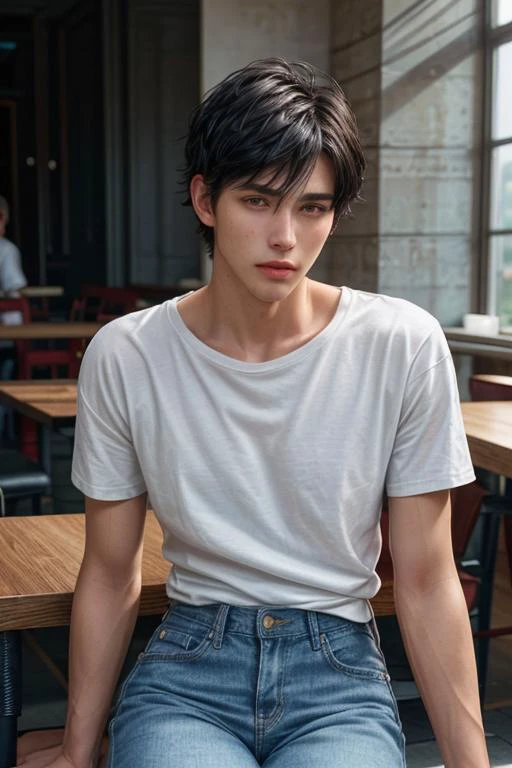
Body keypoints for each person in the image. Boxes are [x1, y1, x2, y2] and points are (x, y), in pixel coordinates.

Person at [32, 59, 489, 768]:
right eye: (258, 200)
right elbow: (111, 569)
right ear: (206, 201)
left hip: (337, 674)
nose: (286, 237)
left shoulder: (400, 342)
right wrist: (76, 746)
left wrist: (472, 765)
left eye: (312, 206)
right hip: (188, 670)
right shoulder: (128, 353)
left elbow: (428, 581)